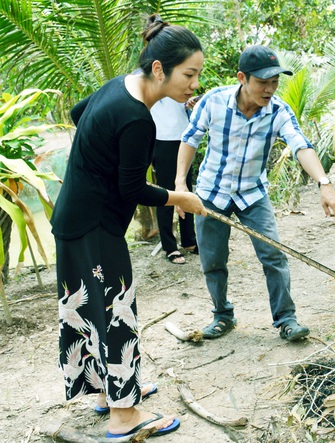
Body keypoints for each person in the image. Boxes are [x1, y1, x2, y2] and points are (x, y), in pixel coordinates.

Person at [51, 15, 206, 439]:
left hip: (74, 218)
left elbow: (78, 113)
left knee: (94, 310)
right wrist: (181, 198)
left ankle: (109, 393)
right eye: (189, 74)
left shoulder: (117, 86)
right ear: (160, 69)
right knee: (117, 310)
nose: (194, 84)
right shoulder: (139, 118)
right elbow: (133, 187)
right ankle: (124, 416)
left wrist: (92, 161)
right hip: (96, 226)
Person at [175, 45, 335, 342]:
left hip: (252, 194)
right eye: (262, 82)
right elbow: (190, 140)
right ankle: (222, 315)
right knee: (213, 260)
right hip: (211, 193)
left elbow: (300, 145)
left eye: (275, 82)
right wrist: (180, 185)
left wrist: (324, 182)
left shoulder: (279, 111)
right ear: (242, 78)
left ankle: (286, 319)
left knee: (273, 255)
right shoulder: (214, 102)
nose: (269, 89)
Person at [150, 96, 201, 264]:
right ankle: (169, 246)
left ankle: (189, 241)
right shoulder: (148, 76)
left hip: (184, 138)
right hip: (162, 139)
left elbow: (180, 105)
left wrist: (189, 104)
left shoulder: (179, 77)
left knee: (185, 188)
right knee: (165, 192)